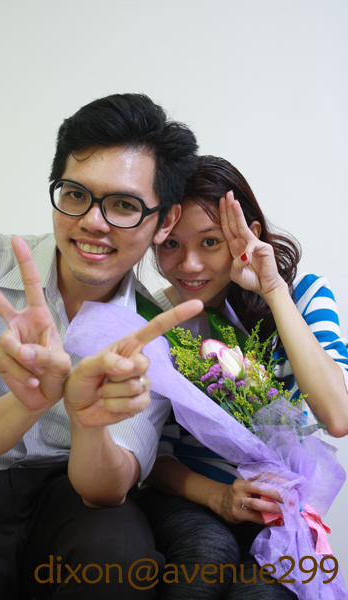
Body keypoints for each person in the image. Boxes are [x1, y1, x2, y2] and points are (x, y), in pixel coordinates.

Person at [0, 93, 201, 600]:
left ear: (165, 222)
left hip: (76, 496)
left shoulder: (157, 328)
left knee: (118, 564)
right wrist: (29, 400)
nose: (93, 222)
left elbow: (107, 489)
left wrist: (89, 423)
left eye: (124, 205)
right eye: (75, 194)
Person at [136, 155, 348, 599]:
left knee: (262, 591)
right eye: (170, 244)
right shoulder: (158, 319)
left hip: (277, 505)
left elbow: (338, 415)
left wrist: (272, 290)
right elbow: (152, 456)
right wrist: (218, 496)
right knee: (205, 556)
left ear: (245, 235)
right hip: (190, 498)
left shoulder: (304, 295)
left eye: (210, 242)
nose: (189, 264)